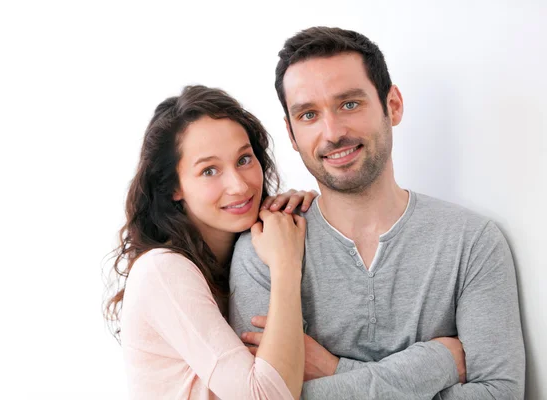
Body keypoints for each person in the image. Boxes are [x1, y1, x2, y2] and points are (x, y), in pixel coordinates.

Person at [229, 27, 525, 399]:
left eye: (349, 104)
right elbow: (264, 397)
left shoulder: (472, 243)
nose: (333, 132)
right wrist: (438, 362)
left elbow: (500, 394)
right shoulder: (265, 246)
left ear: (393, 105)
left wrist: (335, 371)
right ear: (291, 134)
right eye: (308, 115)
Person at [103, 84, 321, 400]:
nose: (238, 185)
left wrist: (298, 214)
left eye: (244, 159)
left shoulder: (242, 252)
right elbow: (265, 397)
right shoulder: (162, 270)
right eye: (209, 170)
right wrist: (286, 265)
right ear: (174, 186)